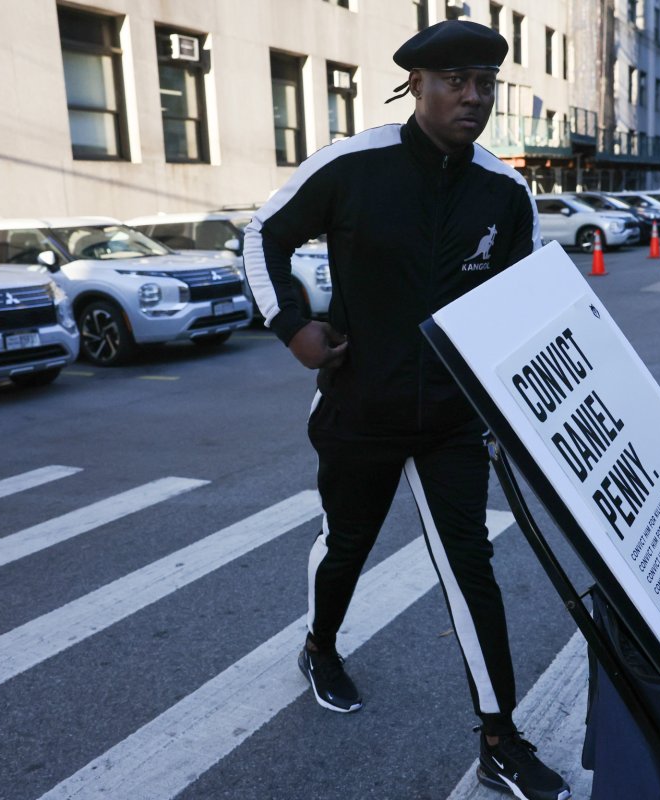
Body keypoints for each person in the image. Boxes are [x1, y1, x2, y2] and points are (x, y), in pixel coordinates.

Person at [244, 19, 570, 800]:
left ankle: (499, 738)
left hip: (453, 420)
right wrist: (293, 327)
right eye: (456, 81)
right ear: (415, 87)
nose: (474, 96)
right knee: (347, 544)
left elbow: (516, 306)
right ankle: (321, 645)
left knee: (471, 567)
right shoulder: (353, 168)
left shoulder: (504, 189)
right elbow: (263, 235)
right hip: (362, 408)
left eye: (486, 83)